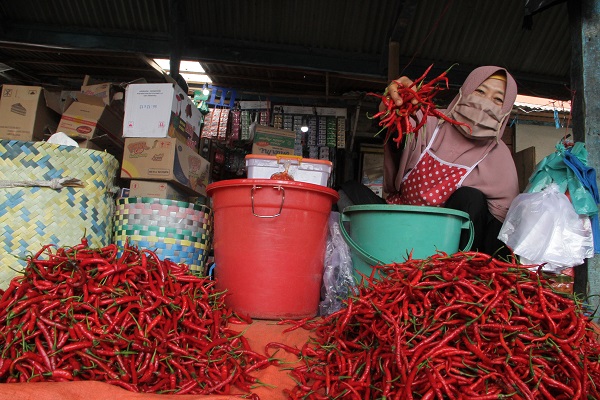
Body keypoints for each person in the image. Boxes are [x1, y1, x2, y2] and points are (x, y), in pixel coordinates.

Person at [339, 66, 519, 259]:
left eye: (497, 99)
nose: (484, 103)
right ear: (465, 90)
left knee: (471, 198)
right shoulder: (429, 121)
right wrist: (392, 103)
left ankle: (462, 273)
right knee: (347, 190)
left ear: (506, 111)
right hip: (397, 223)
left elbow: (500, 227)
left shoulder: (498, 155)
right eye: (480, 91)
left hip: (445, 248)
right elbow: (397, 129)